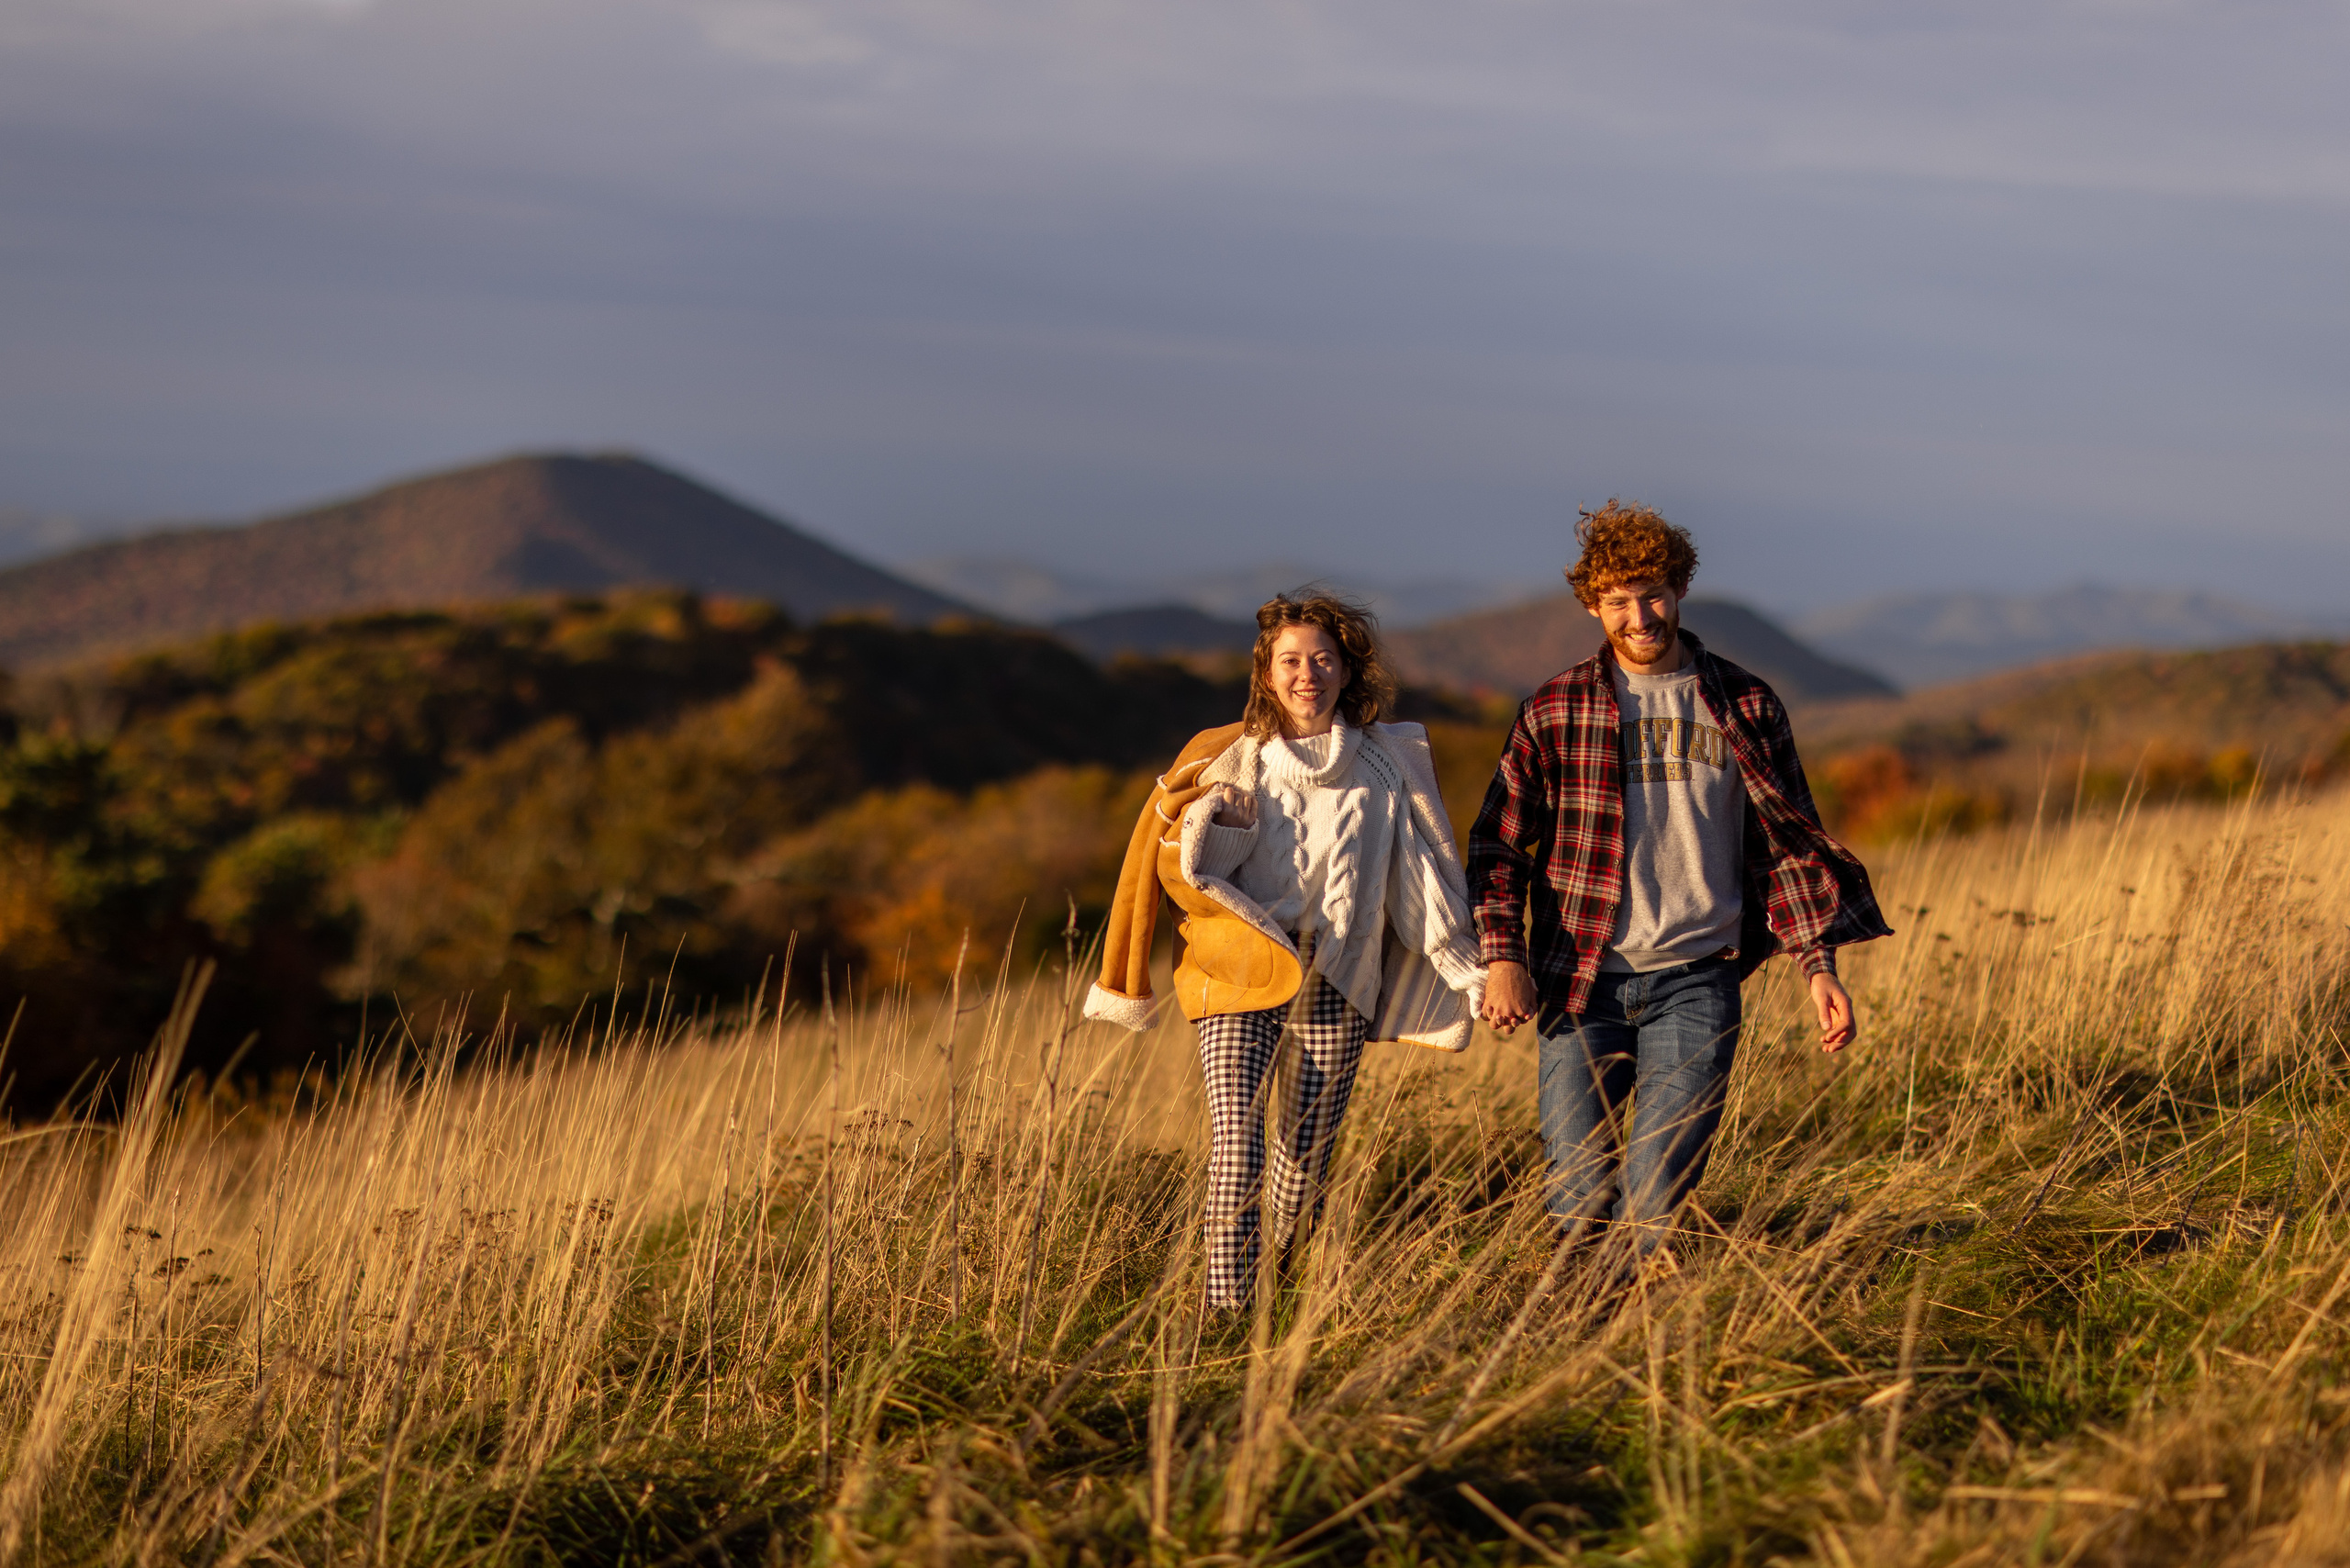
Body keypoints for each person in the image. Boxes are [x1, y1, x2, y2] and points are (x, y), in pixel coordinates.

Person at [1470, 501, 1890, 1267]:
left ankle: (1623, 1331)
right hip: (1581, 981)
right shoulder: (1556, 708)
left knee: (1657, 1191)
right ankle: (1581, 1339)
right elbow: (1498, 841)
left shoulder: (1747, 703)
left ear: (1680, 588)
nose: (1640, 615)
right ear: (1593, 605)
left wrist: (1818, 965)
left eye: (1654, 592)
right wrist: (1504, 956)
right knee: (1578, 1193)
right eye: (1619, 601)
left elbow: (1784, 846)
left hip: (1698, 982)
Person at [1087, 593, 1486, 1310]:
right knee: (1238, 1145)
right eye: (1292, 661)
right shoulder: (1232, 761)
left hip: (1339, 984)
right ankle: (1226, 1312)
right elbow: (1186, 871)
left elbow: (1416, 886)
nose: (1309, 675)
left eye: (1324, 660)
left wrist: (1471, 974)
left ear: (1347, 670)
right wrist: (1222, 830)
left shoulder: (1382, 771)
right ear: (1267, 674)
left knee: (1302, 1166)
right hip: (1238, 976)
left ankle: (1282, 1285)